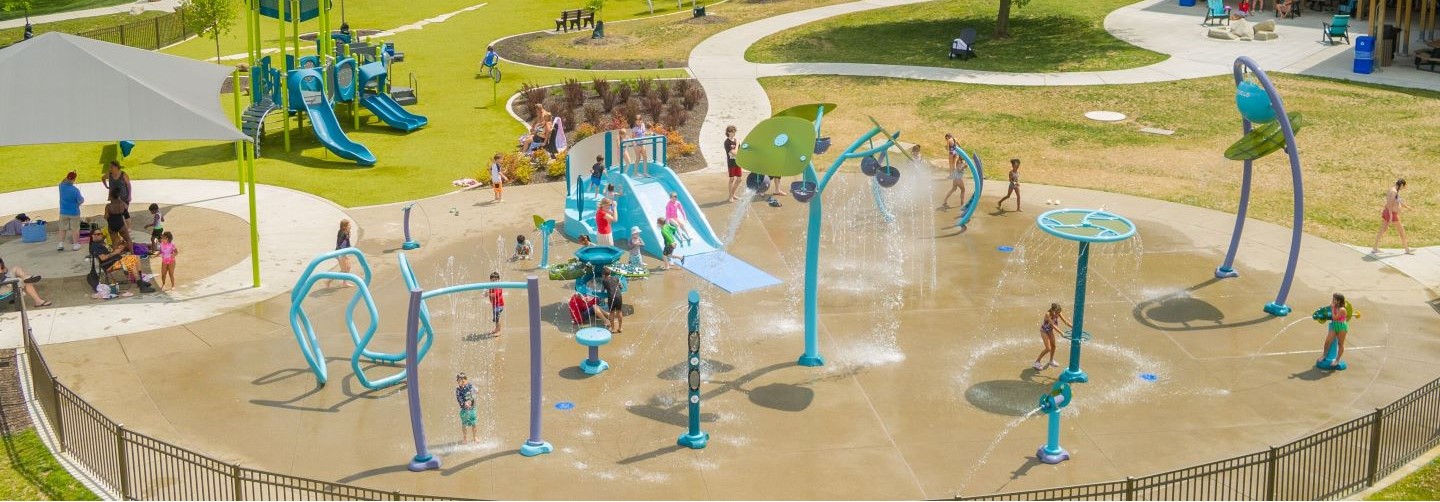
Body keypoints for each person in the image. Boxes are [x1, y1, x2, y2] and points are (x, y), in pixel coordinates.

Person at [1370, 179, 1413, 254]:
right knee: (1401, 231)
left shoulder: (1394, 190)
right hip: (1391, 214)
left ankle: (1375, 248)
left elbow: (1399, 201)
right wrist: (1390, 216)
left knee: (1383, 230)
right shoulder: (1394, 192)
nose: (1403, 188)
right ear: (1401, 185)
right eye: (1403, 187)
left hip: (1389, 212)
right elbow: (1390, 203)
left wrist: (1407, 207)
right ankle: (1407, 249)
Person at [1033, 303, 1071, 370]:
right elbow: (1053, 325)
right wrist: (1061, 333)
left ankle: (1051, 361)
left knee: (1053, 346)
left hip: (1050, 330)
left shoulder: (1058, 312)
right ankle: (1037, 362)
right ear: (1052, 310)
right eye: (1056, 313)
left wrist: (1074, 327)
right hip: (1044, 331)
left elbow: (1066, 322)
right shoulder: (1047, 314)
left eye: (1058, 312)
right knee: (1048, 348)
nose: (1057, 314)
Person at [1319, 293, 1350, 367]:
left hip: (1341, 327)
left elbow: (1335, 318)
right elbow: (1327, 309)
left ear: (1339, 301)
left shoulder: (1342, 309)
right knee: (1328, 341)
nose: (1333, 300)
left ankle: (1337, 360)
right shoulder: (1334, 305)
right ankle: (1324, 355)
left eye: (1334, 299)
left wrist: (1332, 309)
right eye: (1333, 299)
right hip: (1334, 326)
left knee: (1340, 344)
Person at [58, 172, 84, 251]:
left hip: (63, 212)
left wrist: (68, 176)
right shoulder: (75, 190)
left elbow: (62, 181)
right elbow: (80, 200)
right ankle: (75, 245)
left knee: (62, 228)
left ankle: (60, 244)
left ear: (66, 178)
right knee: (75, 229)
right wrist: (78, 204)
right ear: (74, 180)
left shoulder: (61, 186)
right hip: (74, 212)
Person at [941, 134, 967, 209]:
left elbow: (948, 148)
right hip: (957, 177)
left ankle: (945, 200)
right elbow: (959, 170)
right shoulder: (959, 161)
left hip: (956, 176)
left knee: (953, 189)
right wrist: (964, 167)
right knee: (963, 189)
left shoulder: (960, 160)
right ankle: (962, 204)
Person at [328, 220, 354, 289]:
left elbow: (347, 243)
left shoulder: (346, 232)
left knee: (348, 267)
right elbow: (341, 244)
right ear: (345, 226)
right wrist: (345, 252)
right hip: (340, 253)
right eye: (349, 225)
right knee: (343, 270)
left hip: (343, 252)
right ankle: (329, 281)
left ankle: (344, 283)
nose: (350, 226)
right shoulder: (343, 233)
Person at [455, 373, 478, 444]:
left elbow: (475, 392)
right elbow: (459, 399)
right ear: (457, 382)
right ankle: (465, 437)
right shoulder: (458, 390)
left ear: (466, 380)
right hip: (464, 410)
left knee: (474, 423)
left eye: (463, 380)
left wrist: (476, 390)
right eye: (459, 380)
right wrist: (464, 403)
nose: (462, 382)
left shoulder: (470, 386)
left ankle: (475, 437)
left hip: (472, 409)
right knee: (464, 424)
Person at [600, 267, 624, 333]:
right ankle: (620, 328)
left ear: (603, 274)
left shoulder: (604, 281)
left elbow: (602, 290)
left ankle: (613, 328)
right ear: (610, 272)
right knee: (619, 311)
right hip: (619, 296)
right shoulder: (616, 278)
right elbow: (621, 287)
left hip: (611, 297)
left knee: (612, 313)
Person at [725, 125, 742, 202]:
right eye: (732, 132)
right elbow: (735, 153)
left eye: (734, 132)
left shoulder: (736, 140)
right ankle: (730, 196)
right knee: (732, 179)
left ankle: (733, 194)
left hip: (738, 162)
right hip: (731, 163)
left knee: (739, 180)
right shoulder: (727, 142)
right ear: (728, 132)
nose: (734, 133)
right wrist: (737, 144)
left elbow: (739, 152)